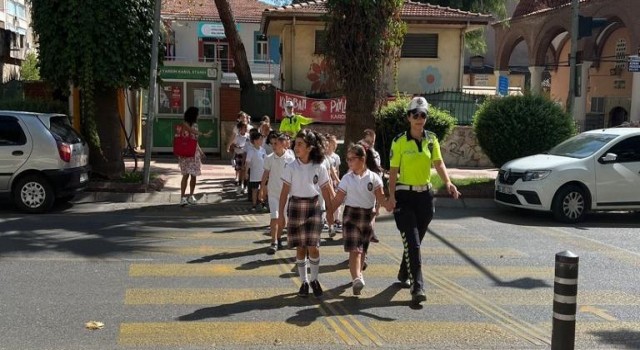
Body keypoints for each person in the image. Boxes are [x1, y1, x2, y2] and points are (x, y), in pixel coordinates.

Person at [385, 96, 461, 305]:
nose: (419, 119)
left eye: (423, 115)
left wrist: (448, 183)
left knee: (415, 242)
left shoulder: (431, 139)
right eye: (415, 115)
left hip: (425, 197)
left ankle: (403, 272)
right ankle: (417, 287)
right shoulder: (399, 141)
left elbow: (438, 163)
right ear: (409, 117)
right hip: (405, 196)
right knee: (413, 242)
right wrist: (391, 196)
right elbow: (393, 171)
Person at [278, 129, 333, 298]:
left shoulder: (320, 166)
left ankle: (314, 279)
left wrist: (330, 212)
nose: (296, 147)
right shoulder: (291, 166)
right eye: (296, 144)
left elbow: (326, 190)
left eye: (300, 144)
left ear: (310, 147)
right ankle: (304, 282)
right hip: (295, 206)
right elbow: (284, 192)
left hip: (314, 206)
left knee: (314, 247)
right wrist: (280, 215)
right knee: (301, 248)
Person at [329, 143, 387, 296]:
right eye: (347, 160)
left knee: (363, 250)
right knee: (355, 250)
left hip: (367, 216)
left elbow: (381, 197)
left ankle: (358, 276)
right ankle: (356, 278)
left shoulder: (374, 177)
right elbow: (338, 198)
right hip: (350, 216)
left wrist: (390, 204)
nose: (348, 162)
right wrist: (330, 212)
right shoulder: (347, 178)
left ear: (362, 159)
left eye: (351, 159)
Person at [260, 132, 295, 254]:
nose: (274, 146)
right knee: (274, 217)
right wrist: (262, 189)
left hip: (285, 194)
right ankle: (273, 242)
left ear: (283, 144)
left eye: (276, 143)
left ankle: (279, 237)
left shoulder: (291, 159)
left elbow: (294, 176)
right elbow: (265, 174)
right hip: (273, 193)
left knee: (282, 219)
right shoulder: (269, 158)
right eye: (272, 144)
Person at [177, 106, 212, 206]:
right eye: (197, 114)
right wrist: (204, 134)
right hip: (185, 153)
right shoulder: (185, 124)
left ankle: (191, 195)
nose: (198, 116)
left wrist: (200, 151)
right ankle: (182, 197)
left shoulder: (196, 125)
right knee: (186, 175)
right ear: (193, 115)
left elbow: (195, 140)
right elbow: (191, 132)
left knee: (194, 175)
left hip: (194, 153)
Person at [245, 129, 268, 212]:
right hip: (254, 174)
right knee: (255, 190)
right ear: (254, 141)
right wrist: (246, 173)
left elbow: (266, 161)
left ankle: (263, 203)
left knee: (264, 189)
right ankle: (254, 205)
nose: (261, 141)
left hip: (263, 174)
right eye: (259, 139)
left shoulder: (263, 150)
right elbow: (247, 162)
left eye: (262, 139)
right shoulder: (251, 151)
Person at [229, 121, 249, 194]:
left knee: (245, 171)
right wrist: (236, 146)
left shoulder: (248, 136)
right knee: (240, 170)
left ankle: (245, 187)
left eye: (246, 127)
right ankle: (240, 185)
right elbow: (233, 145)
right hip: (239, 155)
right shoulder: (237, 136)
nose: (246, 129)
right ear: (240, 128)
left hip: (246, 155)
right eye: (244, 127)